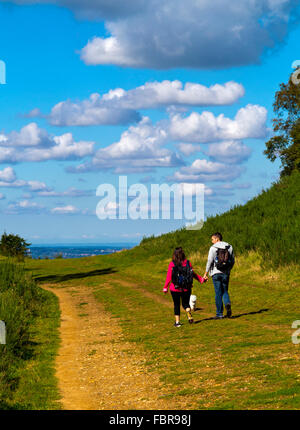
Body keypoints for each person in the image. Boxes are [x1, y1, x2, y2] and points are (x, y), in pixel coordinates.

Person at [163, 247, 206, 327]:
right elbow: (192, 274)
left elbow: (169, 277)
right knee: (185, 303)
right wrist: (201, 279)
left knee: (176, 304)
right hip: (187, 287)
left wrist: (165, 287)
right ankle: (188, 311)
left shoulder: (172, 264)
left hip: (175, 288)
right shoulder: (187, 263)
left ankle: (177, 323)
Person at [203, 232, 235, 319]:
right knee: (225, 291)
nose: (212, 242)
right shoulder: (229, 247)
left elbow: (209, 261)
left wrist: (206, 273)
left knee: (218, 293)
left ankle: (219, 314)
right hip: (225, 273)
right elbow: (232, 260)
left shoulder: (213, 248)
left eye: (212, 239)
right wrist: (228, 270)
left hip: (215, 273)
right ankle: (227, 303)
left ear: (217, 239)